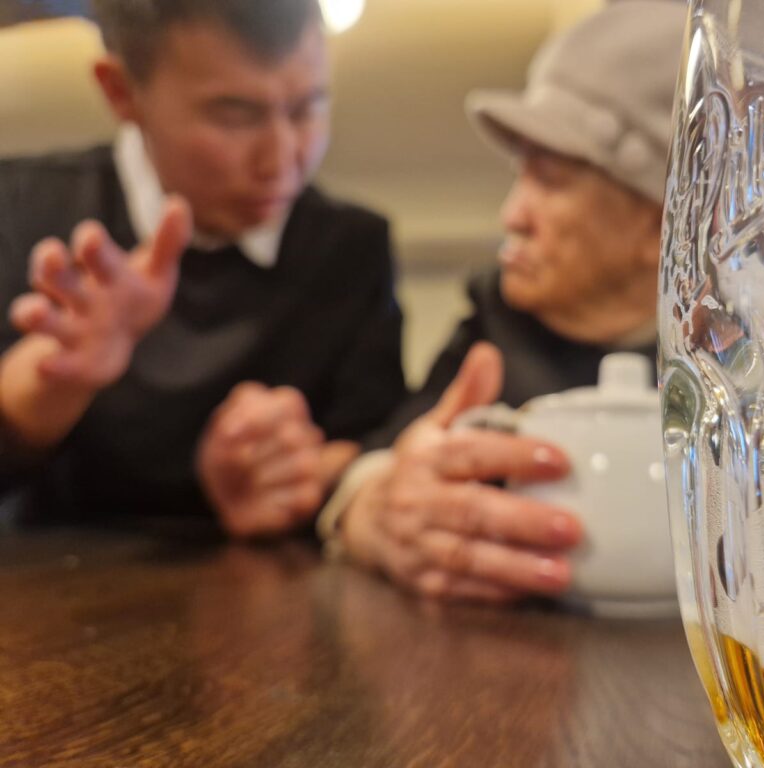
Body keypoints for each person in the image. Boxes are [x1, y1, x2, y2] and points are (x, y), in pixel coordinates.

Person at [318, 1, 687, 602]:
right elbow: (393, 453)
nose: (510, 215)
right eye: (520, 174)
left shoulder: (754, 367)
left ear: (659, 225)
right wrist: (374, 508)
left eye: (550, 179)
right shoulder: (498, 320)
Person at [0, 0, 405, 537]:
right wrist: (44, 388)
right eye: (235, 116)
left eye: (307, 108)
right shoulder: (21, 208)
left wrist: (295, 472)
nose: (281, 161)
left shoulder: (350, 248)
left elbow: (373, 440)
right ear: (121, 92)